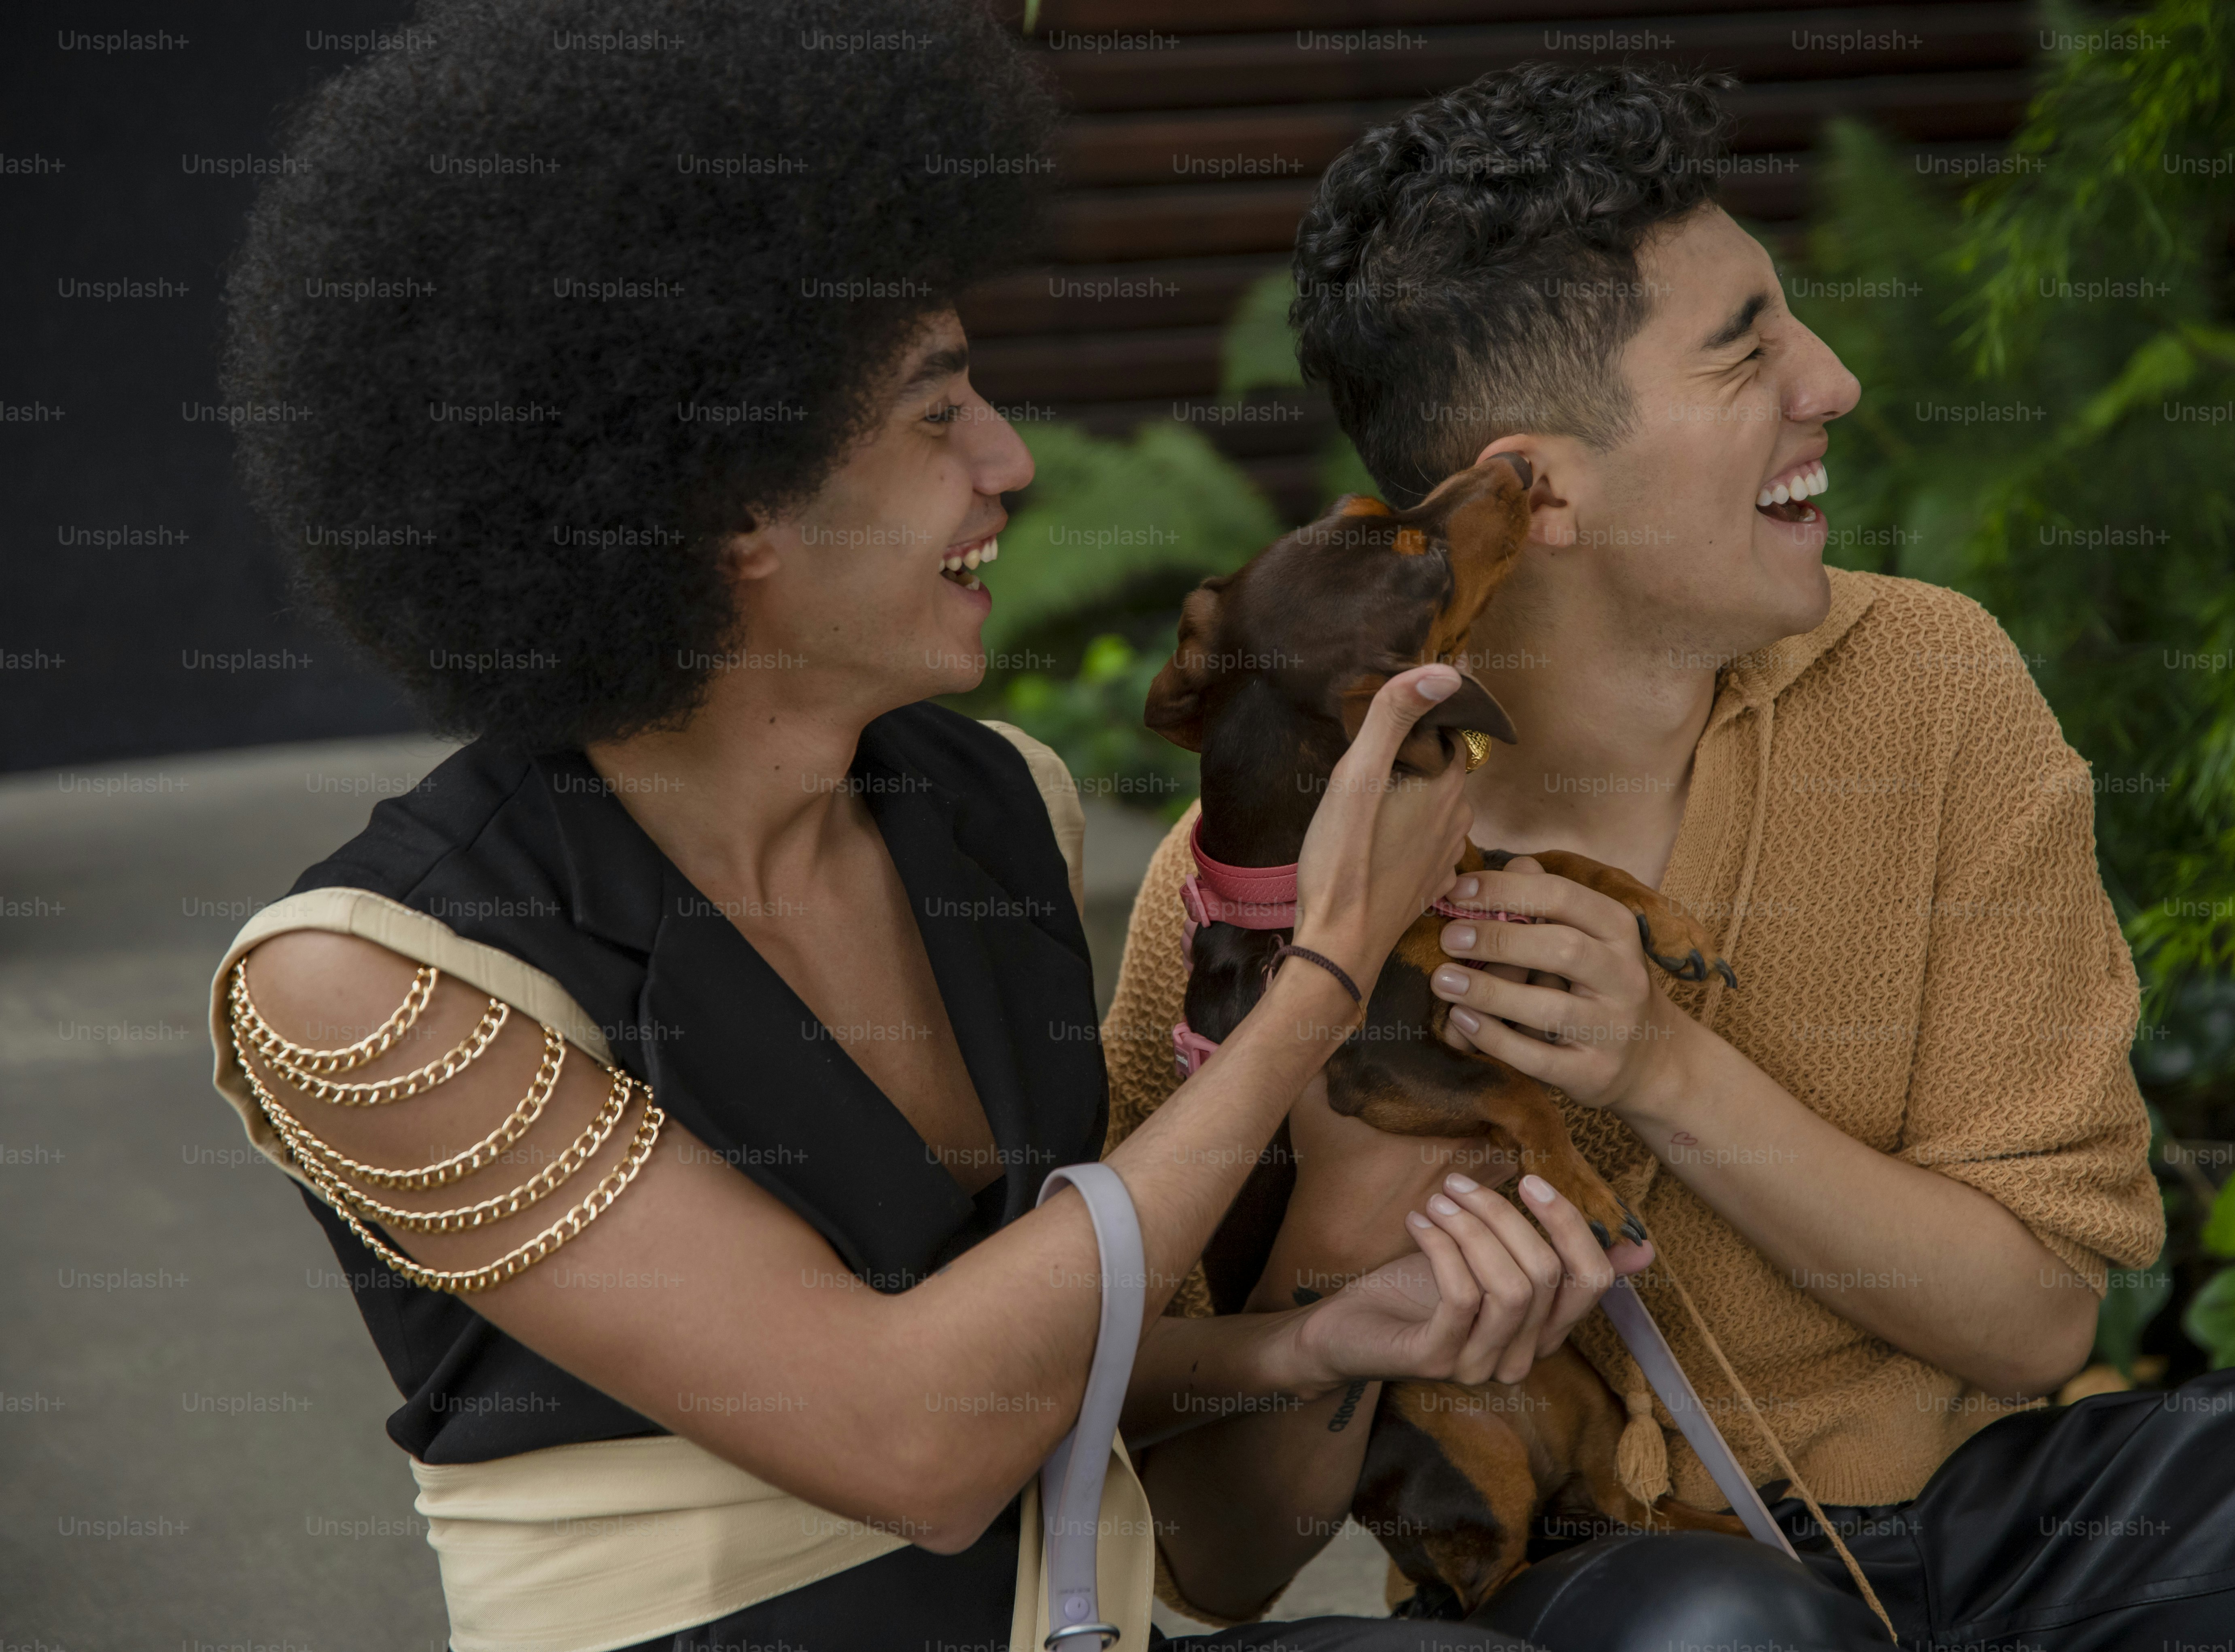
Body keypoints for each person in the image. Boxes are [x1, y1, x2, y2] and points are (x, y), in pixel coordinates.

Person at [203, 7, 1667, 1649]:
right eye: (936, 414)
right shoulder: (364, 981)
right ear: (728, 504)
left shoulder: (985, 805)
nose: (1010, 462)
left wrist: (1306, 1343)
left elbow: (1028, 1340)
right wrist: (1323, 970)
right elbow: (917, 1440)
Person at [1105, 63, 2235, 1650]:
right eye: (1748, 350)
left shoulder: (1930, 682)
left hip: (2022, 1517)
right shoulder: (1249, 902)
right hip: (1625, 1583)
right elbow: (1214, 1558)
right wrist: (1344, 1237)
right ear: (1526, 490)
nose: (1827, 382)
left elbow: (2038, 1317)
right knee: (1721, 1633)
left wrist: (1662, 1066)